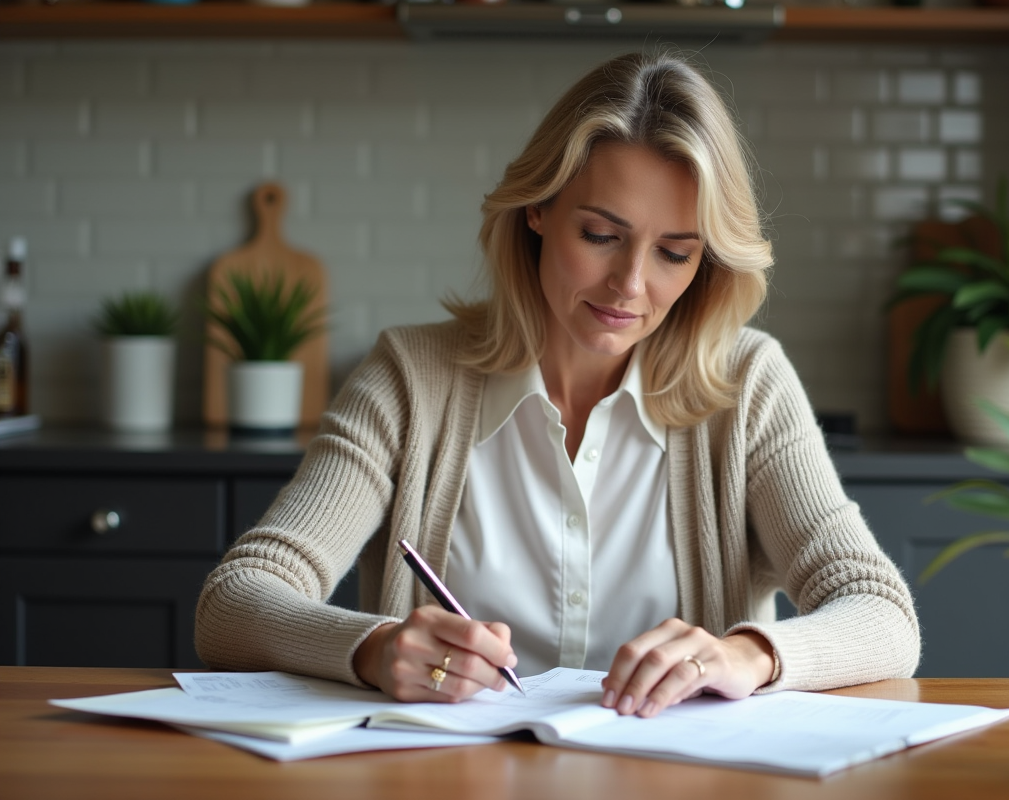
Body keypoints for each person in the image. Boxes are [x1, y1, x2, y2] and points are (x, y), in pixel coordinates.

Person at [195, 51, 920, 719]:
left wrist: (745, 655)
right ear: (537, 210)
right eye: (600, 236)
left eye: (674, 252)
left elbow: (882, 613)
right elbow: (233, 604)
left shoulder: (748, 383)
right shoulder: (410, 377)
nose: (630, 285)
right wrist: (373, 647)